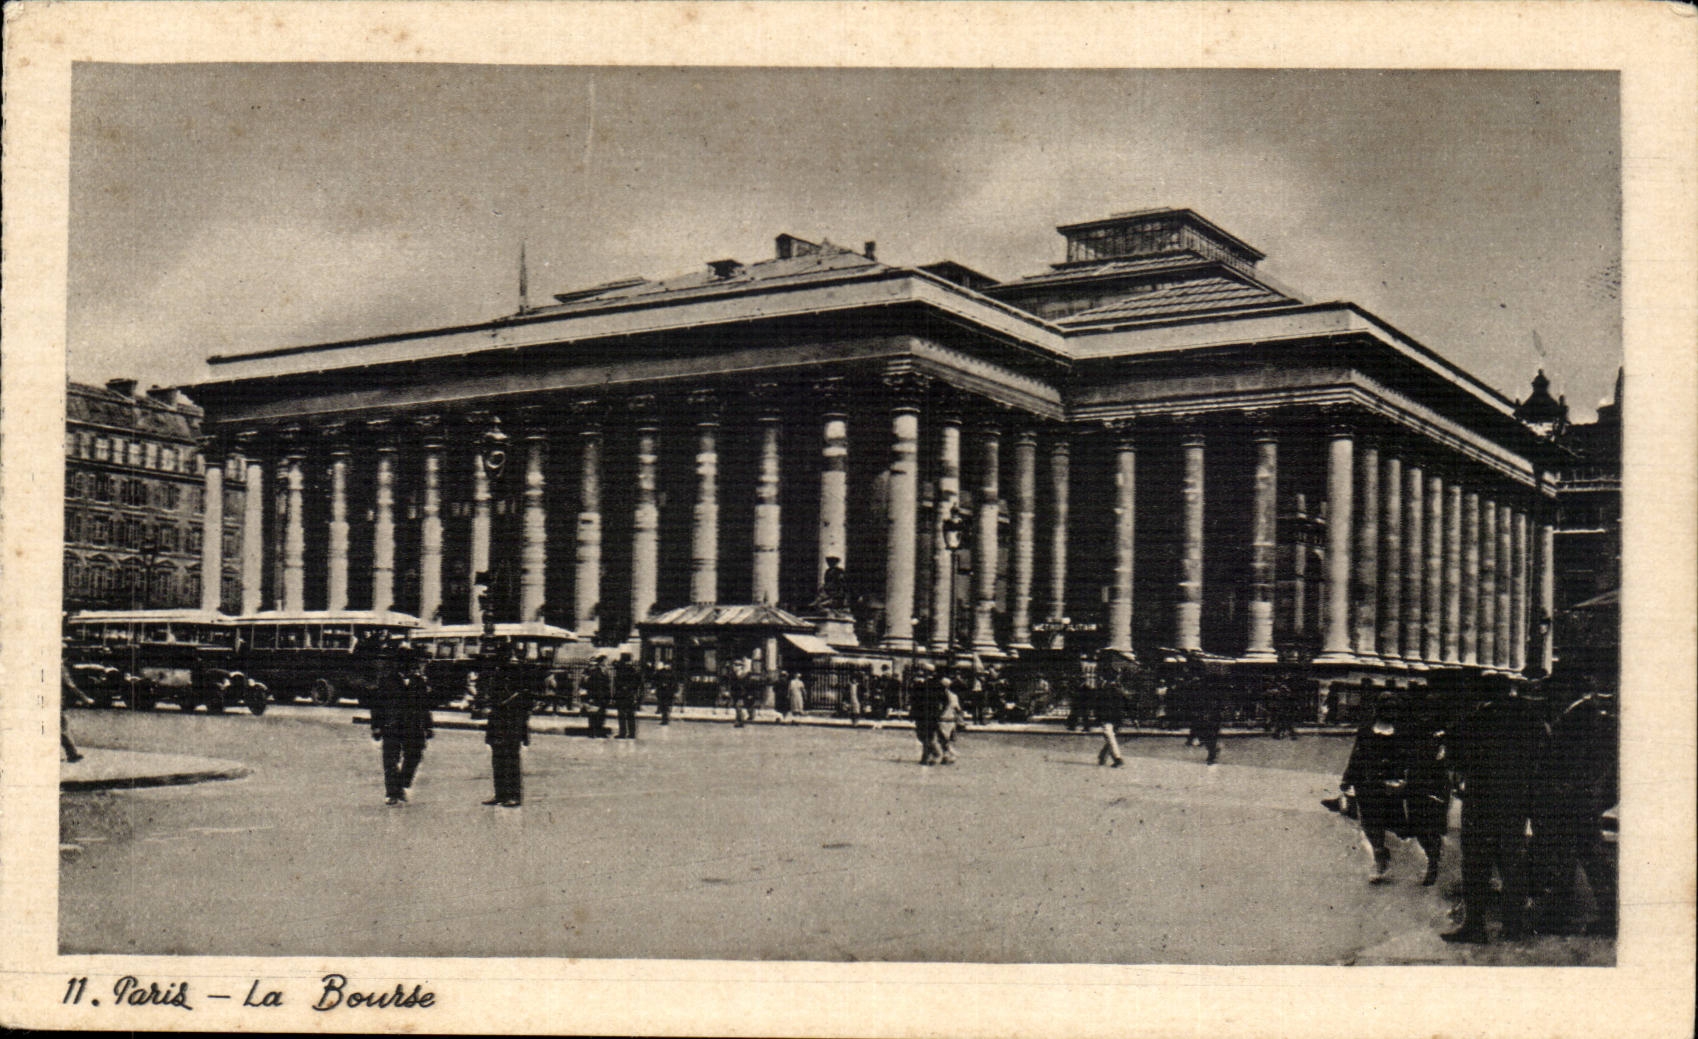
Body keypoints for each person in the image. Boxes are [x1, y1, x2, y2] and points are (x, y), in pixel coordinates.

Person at [1441, 674, 1548, 943]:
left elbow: (1452, 747)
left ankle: (1474, 926)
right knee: (1513, 862)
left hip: (1481, 800)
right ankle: (1513, 927)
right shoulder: (1530, 718)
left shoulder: (1477, 718)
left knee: (1476, 864)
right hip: (1515, 800)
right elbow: (1543, 754)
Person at [1529, 685, 1618, 937]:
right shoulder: (1591, 715)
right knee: (1587, 857)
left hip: (1570, 800)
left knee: (1567, 857)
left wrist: (1561, 788)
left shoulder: (1581, 714)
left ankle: (1560, 916)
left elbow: (1571, 759)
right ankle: (1607, 915)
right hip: (1581, 799)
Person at [1337, 691, 1449, 884]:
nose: (1391, 712)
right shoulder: (1366, 730)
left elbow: (1412, 757)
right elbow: (1357, 755)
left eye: (1394, 709)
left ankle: (1430, 860)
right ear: (1379, 709)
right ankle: (1381, 860)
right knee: (1371, 824)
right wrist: (1347, 779)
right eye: (1387, 708)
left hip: (1395, 785)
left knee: (1404, 826)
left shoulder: (1405, 731)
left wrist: (1405, 778)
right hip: (1368, 783)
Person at [370, 647, 434, 805]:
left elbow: (424, 706)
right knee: (390, 760)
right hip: (392, 725)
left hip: (413, 726)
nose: (411, 667)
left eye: (412, 663)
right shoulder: (387, 681)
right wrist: (376, 726)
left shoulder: (418, 682)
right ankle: (392, 793)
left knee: (414, 755)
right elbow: (377, 705)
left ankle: (402, 784)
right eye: (406, 663)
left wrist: (428, 726)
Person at [481, 643, 533, 807]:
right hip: (498, 720)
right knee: (498, 759)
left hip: (512, 721)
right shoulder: (497, 672)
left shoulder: (518, 671)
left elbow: (525, 699)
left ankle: (513, 795)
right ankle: (500, 794)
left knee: (511, 758)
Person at [61, 661, 95, 763]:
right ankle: (72, 754)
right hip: (56, 703)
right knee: (63, 728)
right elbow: (71, 686)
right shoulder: (60, 668)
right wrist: (85, 699)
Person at [1095, 666, 1126, 768]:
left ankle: (1118, 759)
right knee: (1110, 736)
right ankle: (1103, 755)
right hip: (1115, 717)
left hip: (1110, 716)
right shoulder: (1116, 688)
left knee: (1109, 736)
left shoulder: (1112, 688)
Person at [612, 653, 641, 739]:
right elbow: (637, 683)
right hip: (629, 694)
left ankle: (623, 732)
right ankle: (631, 733)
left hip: (622, 694)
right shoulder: (633, 670)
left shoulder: (621, 669)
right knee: (630, 714)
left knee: (622, 714)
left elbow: (617, 683)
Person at [582, 658, 613, 738]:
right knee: (593, 715)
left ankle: (597, 732)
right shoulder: (587, 673)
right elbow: (583, 686)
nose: (591, 666)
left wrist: (607, 697)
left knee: (599, 715)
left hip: (600, 696)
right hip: (594, 696)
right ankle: (593, 732)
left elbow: (605, 686)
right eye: (590, 665)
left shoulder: (598, 673)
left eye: (593, 665)